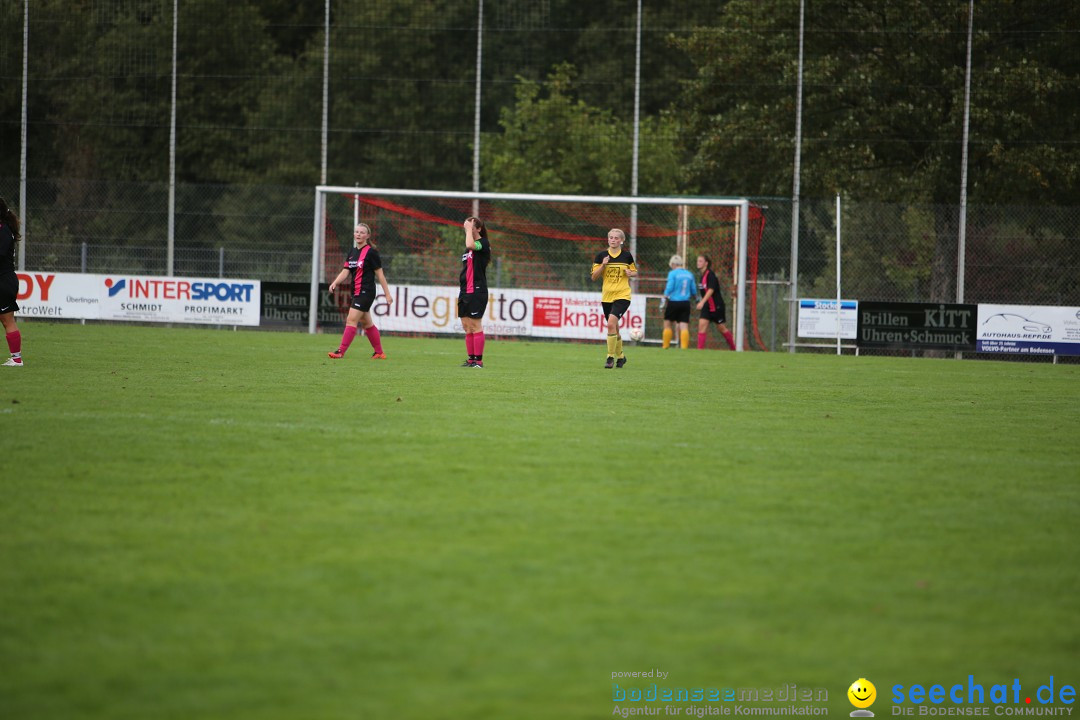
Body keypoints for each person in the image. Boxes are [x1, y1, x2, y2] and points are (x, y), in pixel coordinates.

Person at [327, 222, 392, 359]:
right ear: (354, 234)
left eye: (362, 232)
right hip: (356, 291)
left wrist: (387, 294)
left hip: (366, 292)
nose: (359, 234)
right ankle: (379, 353)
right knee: (367, 323)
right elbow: (345, 272)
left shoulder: (371, 252)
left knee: (351, 320)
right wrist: (335, 282)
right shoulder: (352, 252)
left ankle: (340, 351)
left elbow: (380, 274)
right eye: (357, 232)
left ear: (367, 235)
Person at [590, 228, 637, 368]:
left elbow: (634, 271)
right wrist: (603, 265)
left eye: (617, 238)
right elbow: (594, 277)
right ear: (608, 239)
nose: (613, 240)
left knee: (610, 324)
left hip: (623, 295)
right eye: (611, 237)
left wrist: (630, 273)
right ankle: (621, 357)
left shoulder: (627, 256)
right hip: (607, 297)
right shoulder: (601, 256)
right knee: (614, 329)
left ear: (621, 240)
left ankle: (610, 357)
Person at [459, 216, 492, 368]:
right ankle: (471, 359)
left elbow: (471, 244)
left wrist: (468, 230)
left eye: (471, 227)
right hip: (465, 290)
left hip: (477, 290)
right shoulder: (468, 248)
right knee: (466, 325)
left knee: (475, 325)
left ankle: (478, 361)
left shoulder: (482, 243)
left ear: (478, 229)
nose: (468, 230)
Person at [696, 254, 736, 351]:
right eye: (698, 261)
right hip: (707, 306)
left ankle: (734, 349)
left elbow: (711, 289)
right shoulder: (702, 276)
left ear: (706, 263)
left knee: (721, 328)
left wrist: (702, 302)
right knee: (701, 325)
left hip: (717, 306)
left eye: (700, 261)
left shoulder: (710, 275)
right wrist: (703, 303)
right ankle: (699, 351)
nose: (698, 263)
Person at [0, 197, 22, 367]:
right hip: (5, 281)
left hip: (3, 282)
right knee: (8, 320)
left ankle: (16, 359)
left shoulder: (4, 231)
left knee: (8, 321)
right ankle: (16, 358)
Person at [661, 254, 696, 349]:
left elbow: (670, 287)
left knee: (667, 323)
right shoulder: (689, 274)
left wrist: (664, 297)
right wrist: (696, 298)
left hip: (674, 302)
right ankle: (684, 347)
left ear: (673, 264)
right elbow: (693, 290)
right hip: (685, 303)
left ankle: (665, 346)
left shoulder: (672, 273)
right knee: (684, 325)